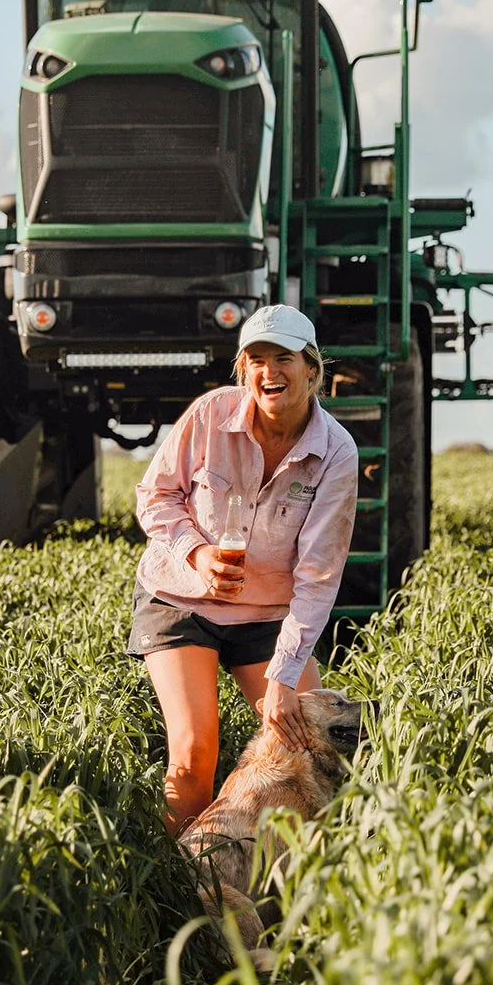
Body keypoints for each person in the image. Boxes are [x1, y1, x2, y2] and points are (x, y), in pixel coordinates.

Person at [129, 304, 359, 835]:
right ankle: (181, 894)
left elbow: (319, 575)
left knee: (308, 747)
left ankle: (289, 889)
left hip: (268, 615)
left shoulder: (335, 452)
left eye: (283, 358)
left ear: (312, 369)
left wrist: (282, 675)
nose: (268, 372)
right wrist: (198, 553)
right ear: (243, 368)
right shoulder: (211, 415)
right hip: (181, 601)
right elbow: (155, 496)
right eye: (255, 359)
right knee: (193, 754)